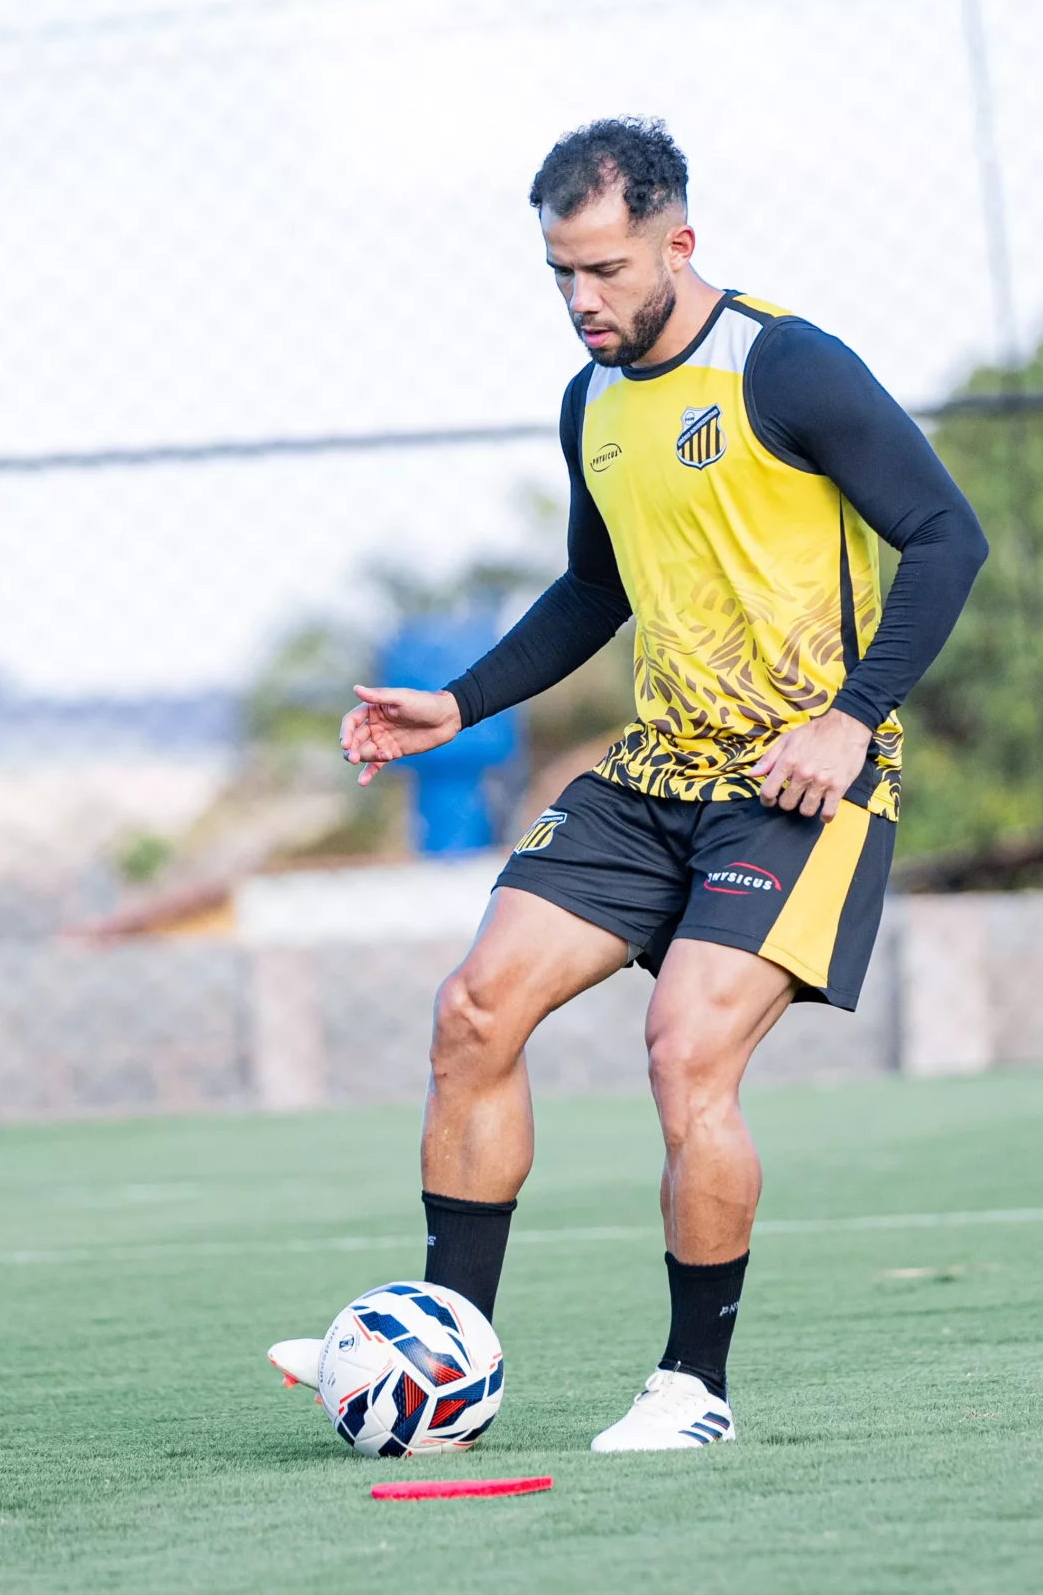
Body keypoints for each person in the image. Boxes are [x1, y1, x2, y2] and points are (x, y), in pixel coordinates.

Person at [269, 117, 987, 1451]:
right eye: (561, 273)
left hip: (798, 788)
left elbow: (949, 535)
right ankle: (444, 1344)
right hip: (651, 775)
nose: (583, 299)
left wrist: (851, 717)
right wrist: (462, 700)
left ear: (678, 241)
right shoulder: (588, 400)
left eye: (605, 268)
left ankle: (690, 1387)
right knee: (475, 1010)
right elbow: (596, 587)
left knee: (685, 1053)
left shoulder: (788, 367)